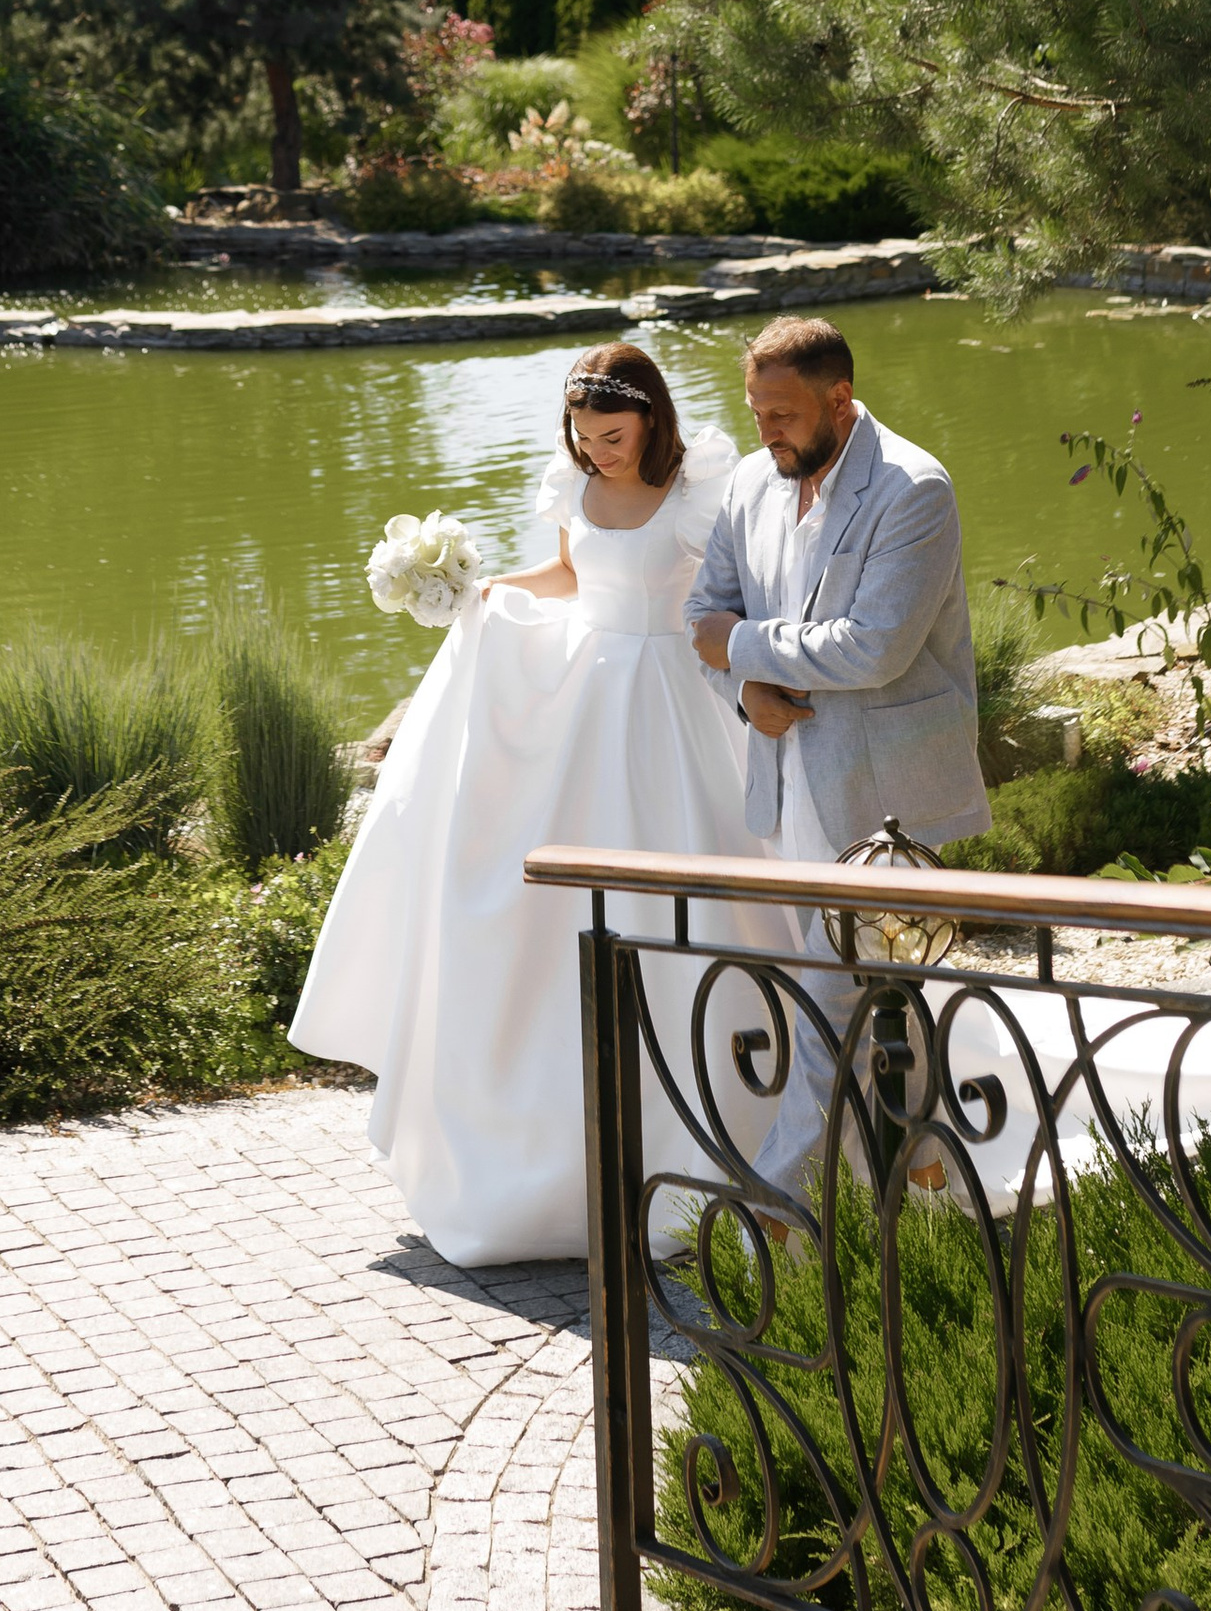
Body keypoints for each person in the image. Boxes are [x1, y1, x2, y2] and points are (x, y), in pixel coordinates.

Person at [289, 339, 783, 1265]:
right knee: (546, 912)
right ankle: (542, 1142)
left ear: (651, 419)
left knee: (690, 891)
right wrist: (480, 594)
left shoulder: (697, 488)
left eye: (613, 433)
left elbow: (728, 593)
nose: (597, 451)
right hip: (584, 690)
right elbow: (568, 576)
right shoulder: (574, 485)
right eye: (585, 435)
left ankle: (719, 1123)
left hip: (669, 701)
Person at [685, 313, 988, 1193]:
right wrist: (745, 695)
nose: (765, 430)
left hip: (890, 791)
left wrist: (738, 650)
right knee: (878, 989)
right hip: (788, 784)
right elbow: (702, 612)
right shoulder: (750, 483)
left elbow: (874, 647)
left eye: (781, 414)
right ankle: (925, 1178)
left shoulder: (914, 488)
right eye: (755, 411)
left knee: (834, 991)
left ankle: (773, 1199)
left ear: (840, 398)